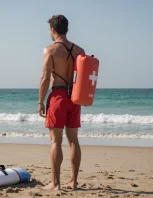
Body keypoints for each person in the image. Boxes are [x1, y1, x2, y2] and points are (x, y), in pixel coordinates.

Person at [38, 14, 85, 191]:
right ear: (66, 29)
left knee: (55, 141)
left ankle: (55, 183)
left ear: (52, 30)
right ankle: (73, 182)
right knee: (73, 141)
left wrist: (40, 102)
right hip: (74, 98)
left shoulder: (50, 50)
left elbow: (44, 78)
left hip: (57, 96)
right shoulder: (79, 50)